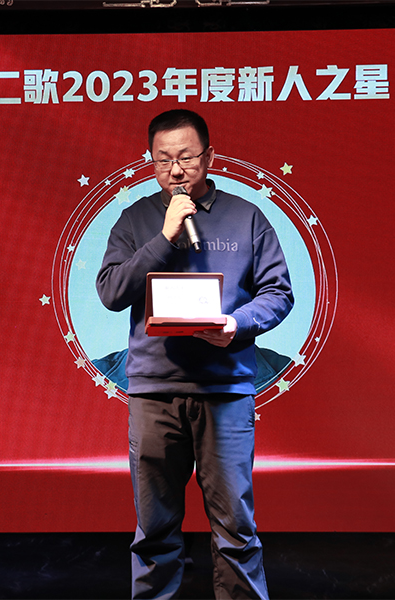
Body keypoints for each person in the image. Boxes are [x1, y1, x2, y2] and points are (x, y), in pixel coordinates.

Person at [96, 109, 293, 599]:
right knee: (154, 530)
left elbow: (278, 293)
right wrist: (164, 237)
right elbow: (112, 292)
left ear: (209, 156)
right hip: (154, 392)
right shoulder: (135, 219)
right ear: (150, 161)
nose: (176, 170)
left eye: (186, 157)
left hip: (224, 390)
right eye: (163, 160)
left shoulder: (247, 217)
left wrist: (237, 324)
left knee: (236, 528)